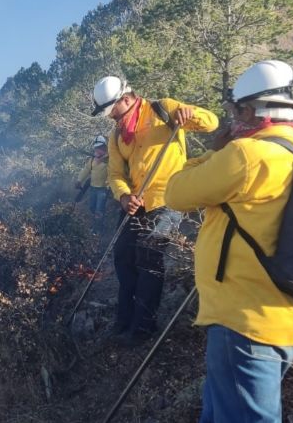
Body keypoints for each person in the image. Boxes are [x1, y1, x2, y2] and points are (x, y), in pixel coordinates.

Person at [165, 60, 293, 422]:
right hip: (284, 319)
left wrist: (216, 152)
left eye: (235, 110)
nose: (232, 118)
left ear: (251, 110)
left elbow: (175, 192)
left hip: (244, 322)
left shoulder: (246, 155)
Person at [91, 75, 218, 346]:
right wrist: (124, 195)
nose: (110, 116)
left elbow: (211, 122)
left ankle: (143, 328)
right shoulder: (116, 135)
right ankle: (123, 321)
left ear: (126, 99)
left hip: (167, 199)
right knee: (123, 257)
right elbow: (115, 174)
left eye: (112, 109)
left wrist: (191, 113)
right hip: (135, 203)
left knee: (149, 258)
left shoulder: (163, 109)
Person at [75, 135, 110, 232]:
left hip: (103, 190)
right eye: (96, 147)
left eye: (100, 147)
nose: (98, 150)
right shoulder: (92, 159)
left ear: (105, 147)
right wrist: (79, 180)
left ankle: (97, 230)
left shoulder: (110, 160)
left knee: (99, 210)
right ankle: (98, 224)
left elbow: (115, 174)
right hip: (93, 188)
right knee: (92, 207)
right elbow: (86, 170)